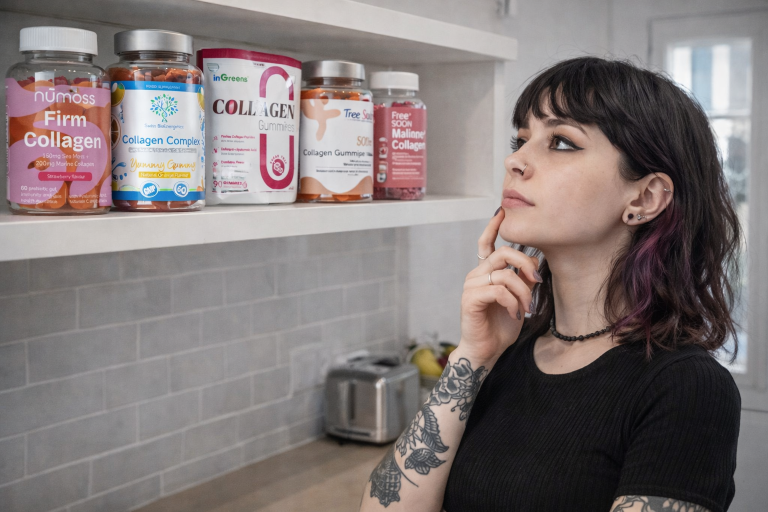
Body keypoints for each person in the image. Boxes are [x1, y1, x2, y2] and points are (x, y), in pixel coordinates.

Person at [359, 57, 742, 512]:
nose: (515, 160)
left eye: (560, 142)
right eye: (521, 139)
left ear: (645, 197)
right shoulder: (503, 354)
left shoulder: (685, 389)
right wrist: (471, 358)